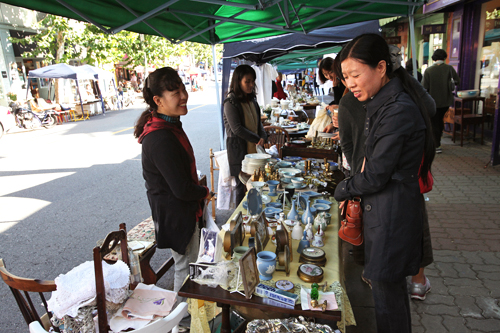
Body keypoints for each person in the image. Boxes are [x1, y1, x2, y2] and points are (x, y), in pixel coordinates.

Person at [334, 34, 435, 333]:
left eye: (355, 75)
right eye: (345, 77)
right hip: (386, 212)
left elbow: (377, 173)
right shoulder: (382, 101)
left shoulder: (398, 108)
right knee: (389, 295)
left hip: (392, 216)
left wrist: (344, 188)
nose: (349, 84)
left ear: (381, 68)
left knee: (388, 300)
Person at [134, 67, 212, 298]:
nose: (184, 96)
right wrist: (205, 191)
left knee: (189, 264)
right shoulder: (159, 137)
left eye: (183, 89)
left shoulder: (169, 126)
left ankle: (189, 312)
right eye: (175, 93)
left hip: (180, 211)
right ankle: (183, 317)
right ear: (158, 100)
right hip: (177, 215)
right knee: (185, 268)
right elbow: (181, 189)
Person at [223, 65, 267, 205]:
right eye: (247, 81)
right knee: (241, 187)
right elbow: (237, 129)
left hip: (254, 150)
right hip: (239, 151)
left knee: (256, 185)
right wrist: (257, 138)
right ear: (238, 81)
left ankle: (254, 214)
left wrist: (263, 136)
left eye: (252, 81)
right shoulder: (230, 102)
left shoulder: (252, 100)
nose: (251, 84)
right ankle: (240, 219)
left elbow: (258, 123)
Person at [422, 49, 459, 154]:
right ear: (444, 57)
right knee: (439, 120)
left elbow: (424, 87)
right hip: (445, 101)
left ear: (434, 57)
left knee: (434, 123)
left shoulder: (429, 71)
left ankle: (436, 144)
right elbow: (457, 81)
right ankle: (437, 142)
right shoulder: (449, 69)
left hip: (432, 101)